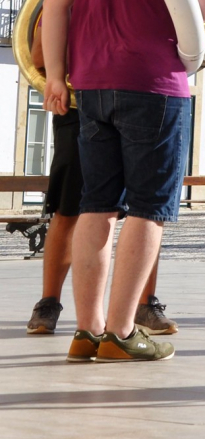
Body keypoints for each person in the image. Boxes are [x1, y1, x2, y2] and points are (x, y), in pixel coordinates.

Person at [42, 0, 205, 362]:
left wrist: (57, 75)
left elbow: (55, 7)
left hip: (92, 84)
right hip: (155, 83)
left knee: (95, 205)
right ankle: (122, 332)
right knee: (150, 208)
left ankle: (87, 330)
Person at [26, 20, 175, 337]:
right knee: (70, 209)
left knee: (146, 212)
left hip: (139, 95)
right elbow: (38, 55)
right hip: (81, 103)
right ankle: (48, 303)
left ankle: (145, 304)